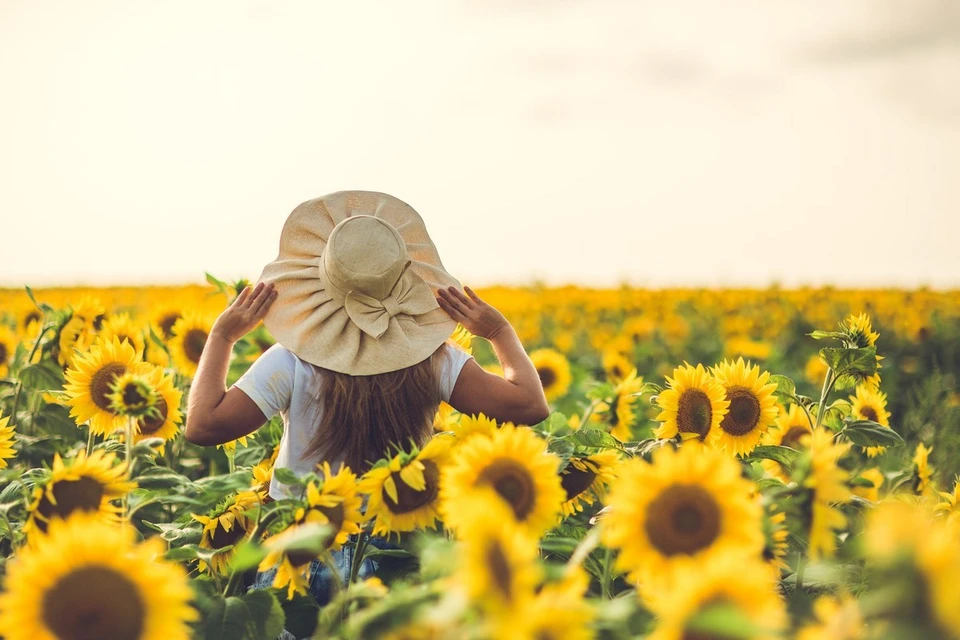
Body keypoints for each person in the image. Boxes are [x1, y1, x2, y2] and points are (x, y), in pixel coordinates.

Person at [184, 191, 549, 613]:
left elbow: (203, 426)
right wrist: (500, 332)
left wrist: (222, 336)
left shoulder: (290, 361)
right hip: (396, 555)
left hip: (300, 552)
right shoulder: (438, 360)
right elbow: (529, 406)